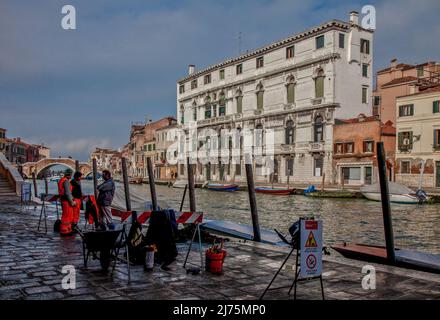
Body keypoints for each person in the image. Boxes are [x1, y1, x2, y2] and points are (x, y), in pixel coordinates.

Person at [58, 169, 77, 236]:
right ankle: (65, 230)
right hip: (67, 201)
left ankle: (68, 229)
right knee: (67, 215)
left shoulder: (61, 180)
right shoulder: (66, 182)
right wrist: (72, 201)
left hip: (63, 200)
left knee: (66, 215)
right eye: (71, 175)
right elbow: (68, 193)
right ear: (69, 174)